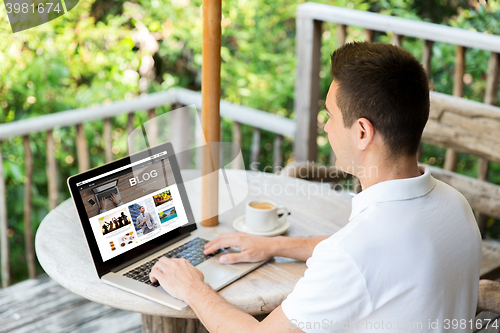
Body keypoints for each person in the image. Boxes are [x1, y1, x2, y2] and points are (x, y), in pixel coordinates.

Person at [149, 42, 481, 332]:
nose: (325, 126)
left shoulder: (356, 252)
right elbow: (377, 256)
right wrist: (274, 246)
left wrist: (193, 288)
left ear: (362, 132)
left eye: (330, 115)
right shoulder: (454, 206)